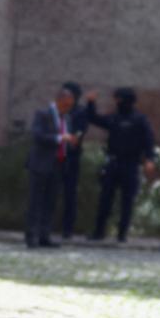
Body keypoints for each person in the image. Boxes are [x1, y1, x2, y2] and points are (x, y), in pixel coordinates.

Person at [85, 87, 156, 243]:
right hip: (113, 162)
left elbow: (149, 140)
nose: (117, 102)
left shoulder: (139, 120)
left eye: (118, 99)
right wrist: (90, 102)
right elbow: (94, 119)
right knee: (105, 199)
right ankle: (99, 231)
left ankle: (122, 234)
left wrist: (150, 159)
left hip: (131, 164)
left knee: (127, 201)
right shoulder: (115, 118)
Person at [24, 86, 77, 248]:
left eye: (70, 105)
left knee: (50, 202)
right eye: (66, 104)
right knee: (36, 201)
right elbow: (38, 135)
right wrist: (60, 138)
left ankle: (44, 235)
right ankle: (31, 236)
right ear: (59, 100)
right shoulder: (43, 114)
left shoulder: (66, 119)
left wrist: (70, 143)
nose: (68, 108)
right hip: (41, 164)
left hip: (58, 164)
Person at [59, 81, 90, 239]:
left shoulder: (80, 112)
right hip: (56, 156)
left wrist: (73, 138)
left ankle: (67, 228)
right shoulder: (57, 110)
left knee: (70, 193)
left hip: (71, 156)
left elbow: (80, 132)